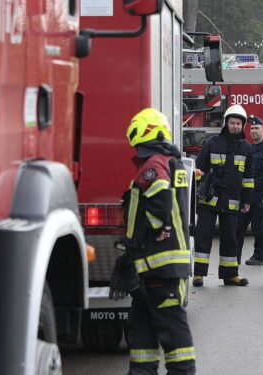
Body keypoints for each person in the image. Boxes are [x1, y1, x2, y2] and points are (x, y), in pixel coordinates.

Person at [110, 108, 195, 374]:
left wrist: (157, 228)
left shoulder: (155, 164)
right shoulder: (168, 161)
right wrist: (129, 258)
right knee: (142, 336)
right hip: (154, 267)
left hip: (162, 266)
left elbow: (159, 199)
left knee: (174, 336)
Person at [192, 104, 254, 287]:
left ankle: (230, 275)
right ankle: (199, 274)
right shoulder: (212, 143)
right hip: (209, 200)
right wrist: (198, 179)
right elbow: (199, 169)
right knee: (203, 237)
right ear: (226, 123)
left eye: (238, 123)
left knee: (230, 239)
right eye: (232, 122)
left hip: (232, 200)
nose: (235, 126)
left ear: (243, 126)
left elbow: (248, 178)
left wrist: (247, 201)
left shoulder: (247, 149)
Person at [237, 115, 263, 266]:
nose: (253, 131)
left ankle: (259, 256)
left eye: (256, 128)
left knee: (259, 228)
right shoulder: (248, 148)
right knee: (239, 227)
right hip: (246, 195)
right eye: (251, 128)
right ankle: (234, 256)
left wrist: (251, 185)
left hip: (260, 194)